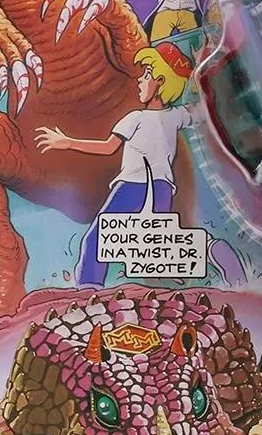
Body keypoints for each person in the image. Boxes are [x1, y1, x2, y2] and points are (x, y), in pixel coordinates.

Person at [36, 43, 193, 286]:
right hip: (161, 188)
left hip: (133, 187)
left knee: (98, 238)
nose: (140, 80)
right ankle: (194, 259)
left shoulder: (136, 118)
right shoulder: (176, 115)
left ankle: (89, 285)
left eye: (147, 74)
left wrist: (67, 142)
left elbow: (108, 147)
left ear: (160, 81)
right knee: (153, 239)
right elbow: (199, 109)